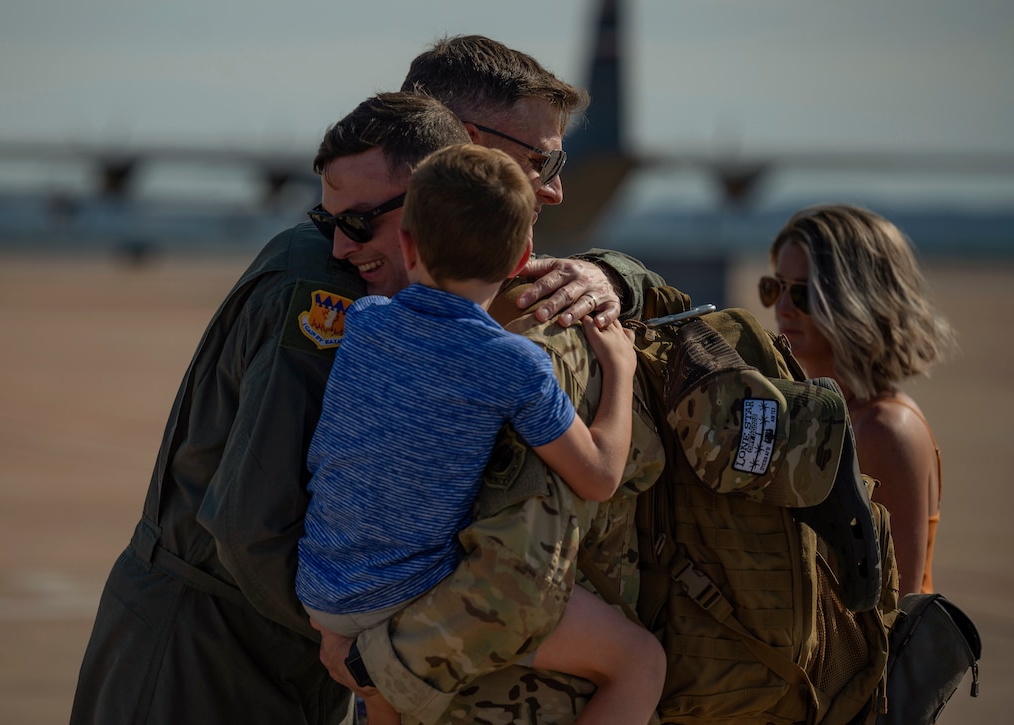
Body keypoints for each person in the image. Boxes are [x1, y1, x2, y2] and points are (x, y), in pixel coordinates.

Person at [69, 87, 665, 725]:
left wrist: (611, 275)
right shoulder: (331, 288)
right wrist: (376, 652)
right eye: (335, 221)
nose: (338, 246)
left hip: (288, 644)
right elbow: (250, 526)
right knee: (638, 660)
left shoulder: (381, 310)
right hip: (207, 661)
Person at [299, 143, 665, 725]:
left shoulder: (364, 322)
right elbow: (598, 476)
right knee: (641, 662)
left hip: (326, 588)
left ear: (408, 245)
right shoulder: (511, 362)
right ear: (523, 257)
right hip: (409, 598)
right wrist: (619, 372)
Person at [761, 203, 957, 595]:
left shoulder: (885, 429)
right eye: (775, 287)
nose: (782, 308)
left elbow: (892, 612)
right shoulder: (820, 410)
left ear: (855, 300)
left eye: (802, 294)